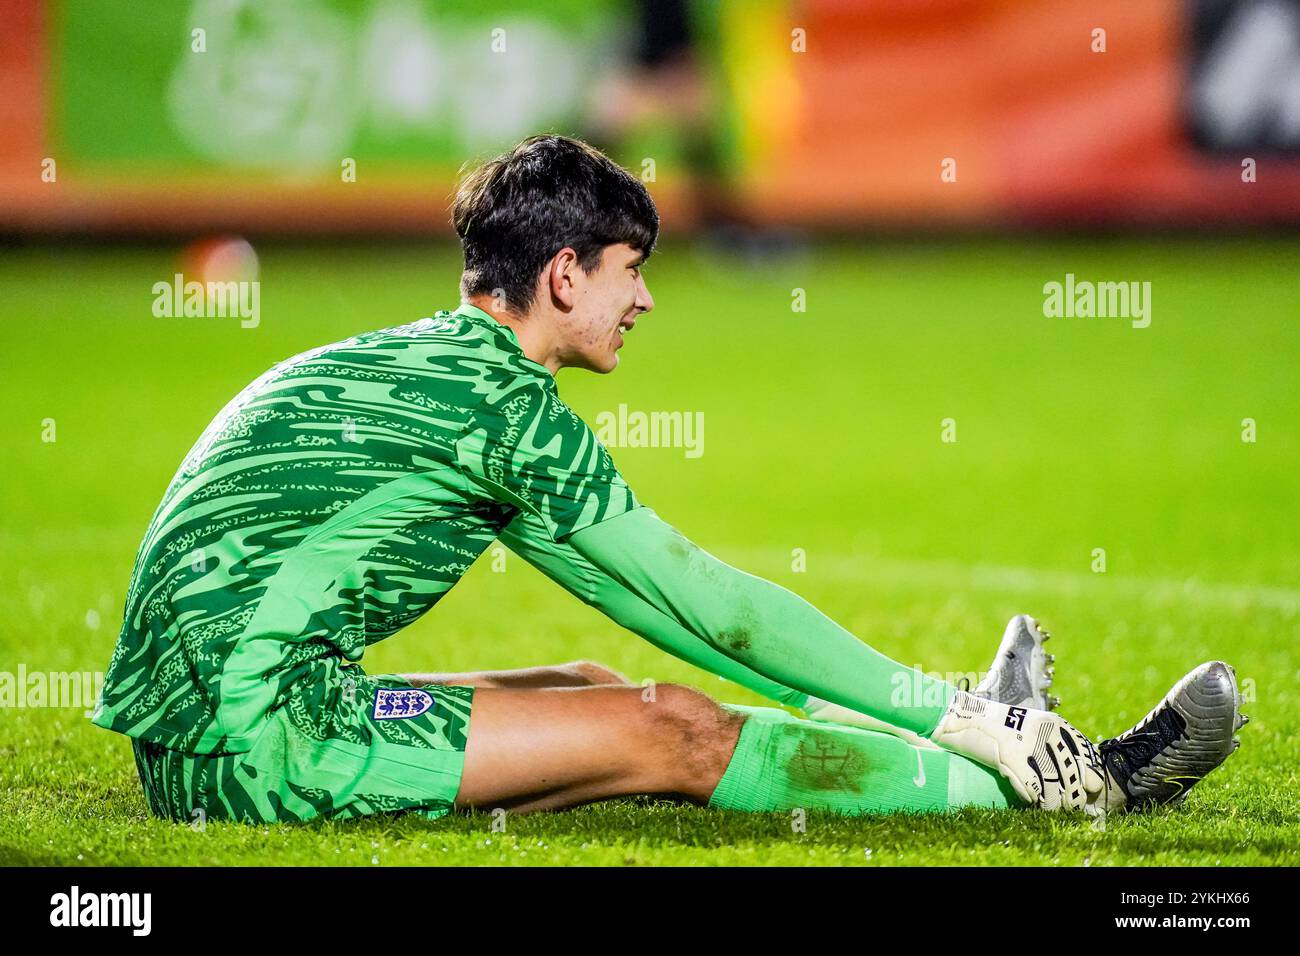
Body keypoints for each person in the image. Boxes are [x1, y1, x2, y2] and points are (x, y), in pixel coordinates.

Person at [92, 135, 1243, 824]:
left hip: (196, 724)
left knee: (587, 681)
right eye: (629, 271)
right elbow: (712, 606)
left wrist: (932, 710)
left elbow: (649, 608)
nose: (643, 299)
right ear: (560, 274)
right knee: (675, 731)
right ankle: (1070, 777)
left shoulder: (428, 361)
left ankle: (981, 743)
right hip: (256, 747)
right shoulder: (504, 412)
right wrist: (956, 711)